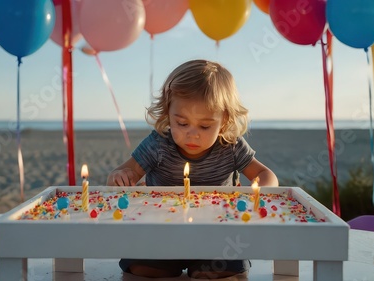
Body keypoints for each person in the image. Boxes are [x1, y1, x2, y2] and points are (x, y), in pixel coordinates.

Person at [107, 59, 279, 279]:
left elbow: (267, 175)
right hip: (160, 236)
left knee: (224, 273)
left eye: (205, 126)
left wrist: (258, 192)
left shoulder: (230, 146)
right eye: (182, 123)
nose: (192, 133)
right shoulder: (158, 144)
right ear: (168, 113)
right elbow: (118, 175)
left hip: (217, 238)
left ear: (224, 121)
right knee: (142, 270)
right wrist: (121, 177)